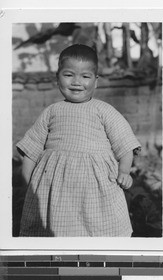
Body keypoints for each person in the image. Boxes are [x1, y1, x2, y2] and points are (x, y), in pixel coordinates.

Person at [16, 44, 141, 237]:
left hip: (96, 189)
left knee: (100, 231)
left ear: (96, 81)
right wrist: (29, 187)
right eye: (68, 75)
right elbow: (31, 151)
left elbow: (124, 144)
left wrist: (124, 170)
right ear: (58, 78)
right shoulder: (51, 112)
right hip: (54, 189)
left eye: (85, 76)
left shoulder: (104, 111)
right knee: (55, 234)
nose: (76, 82)